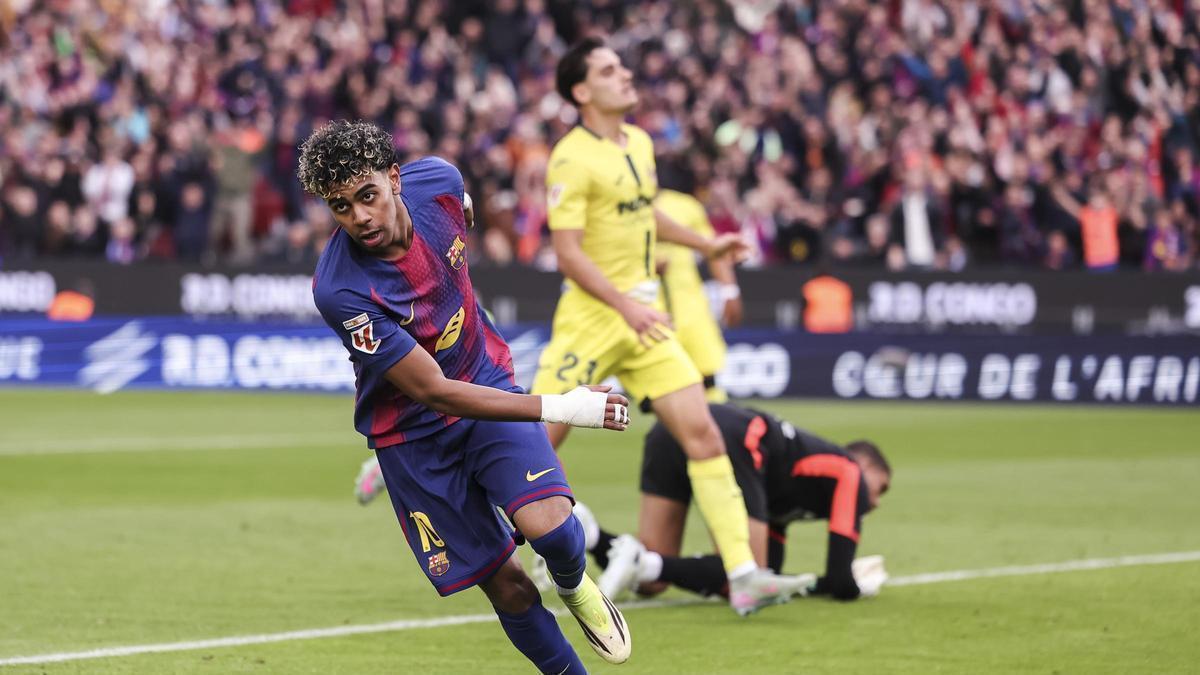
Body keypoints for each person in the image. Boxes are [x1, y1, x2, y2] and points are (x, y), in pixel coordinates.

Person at [301, 120, 632, 674]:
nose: (359, 217)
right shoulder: (340, 290)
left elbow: (464, 212)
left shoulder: (441, 183)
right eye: (340, 207)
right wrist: (563, 405)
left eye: (367, 196)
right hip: (414, 438)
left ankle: (575, 586)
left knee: (553, 531)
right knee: (510, 590)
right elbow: (434, 391)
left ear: (395, 179)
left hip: (483, 376)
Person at [531, 36, 802, 616]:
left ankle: (745, 574)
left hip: (644, 319)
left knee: (701, 434)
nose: (626, 74)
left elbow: (646, 211)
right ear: (582, 91)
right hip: (594, 318)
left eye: (623, 66)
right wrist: (625, 306)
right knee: (533, 441)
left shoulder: (640, 142)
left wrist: (707, 244)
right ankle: (496, 540)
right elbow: (568, 253)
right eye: (609, 69)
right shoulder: (570, 156)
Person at [590, 403, 891, 603]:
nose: (875, 501)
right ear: (863, 465)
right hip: (733, 436)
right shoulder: (849, 471)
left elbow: (771, 580)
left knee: (651, 583)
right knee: (749, 574)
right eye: (881, 487)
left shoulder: (793, 491)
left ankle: (590, 534)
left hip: (671, 429)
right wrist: (856, 584)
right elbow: (840, 584)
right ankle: (640, 561)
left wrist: (803, 583)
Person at [652, 182, 742, 405]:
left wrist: (730, 290)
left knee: (707, 377)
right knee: (659, 386)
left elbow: (714, 249)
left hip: (689, 305)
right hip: (643, 308)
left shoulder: (684, 205)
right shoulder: (615, 205)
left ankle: (720, 431)